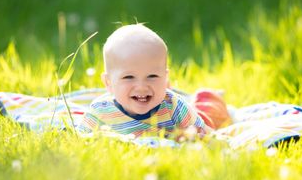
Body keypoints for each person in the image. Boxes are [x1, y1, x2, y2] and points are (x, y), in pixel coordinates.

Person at [77, 24, 211, 141]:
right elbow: (81, 140)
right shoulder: (101, 111)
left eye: (152, 76)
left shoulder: (173, 106)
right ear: (109, 83)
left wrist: (194, 136)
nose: (141, 87)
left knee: (208, 107)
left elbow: (205, 133)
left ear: (165, 79)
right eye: (129, 77)